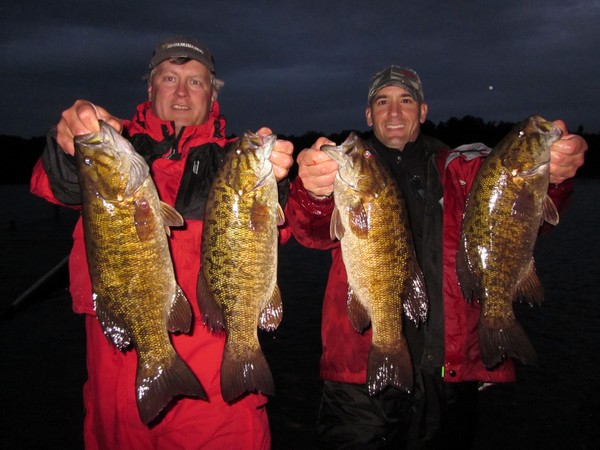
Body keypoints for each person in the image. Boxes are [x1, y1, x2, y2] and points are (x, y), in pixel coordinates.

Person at [284, 65, 587, 449]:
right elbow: (308, 231)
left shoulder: (464, 170)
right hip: (358, 377)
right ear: (368, 115)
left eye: (405, 100)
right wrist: (313, 193)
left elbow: (526, 218)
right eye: (382, 101)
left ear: (423, 111)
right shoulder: (343, 172)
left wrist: (555, 178)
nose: (394, 112)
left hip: (446, 374)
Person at [30, 36, 294, 449]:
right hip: (116, 406)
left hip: (218, 413)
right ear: (150, 88)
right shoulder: (116, 151)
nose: (182, 92)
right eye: (170, 78)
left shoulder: (234, 164)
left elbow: (291, 228)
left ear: (213, 95)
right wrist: (70, 144)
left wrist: (295, 189)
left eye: (196, 81)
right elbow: (53, 183)